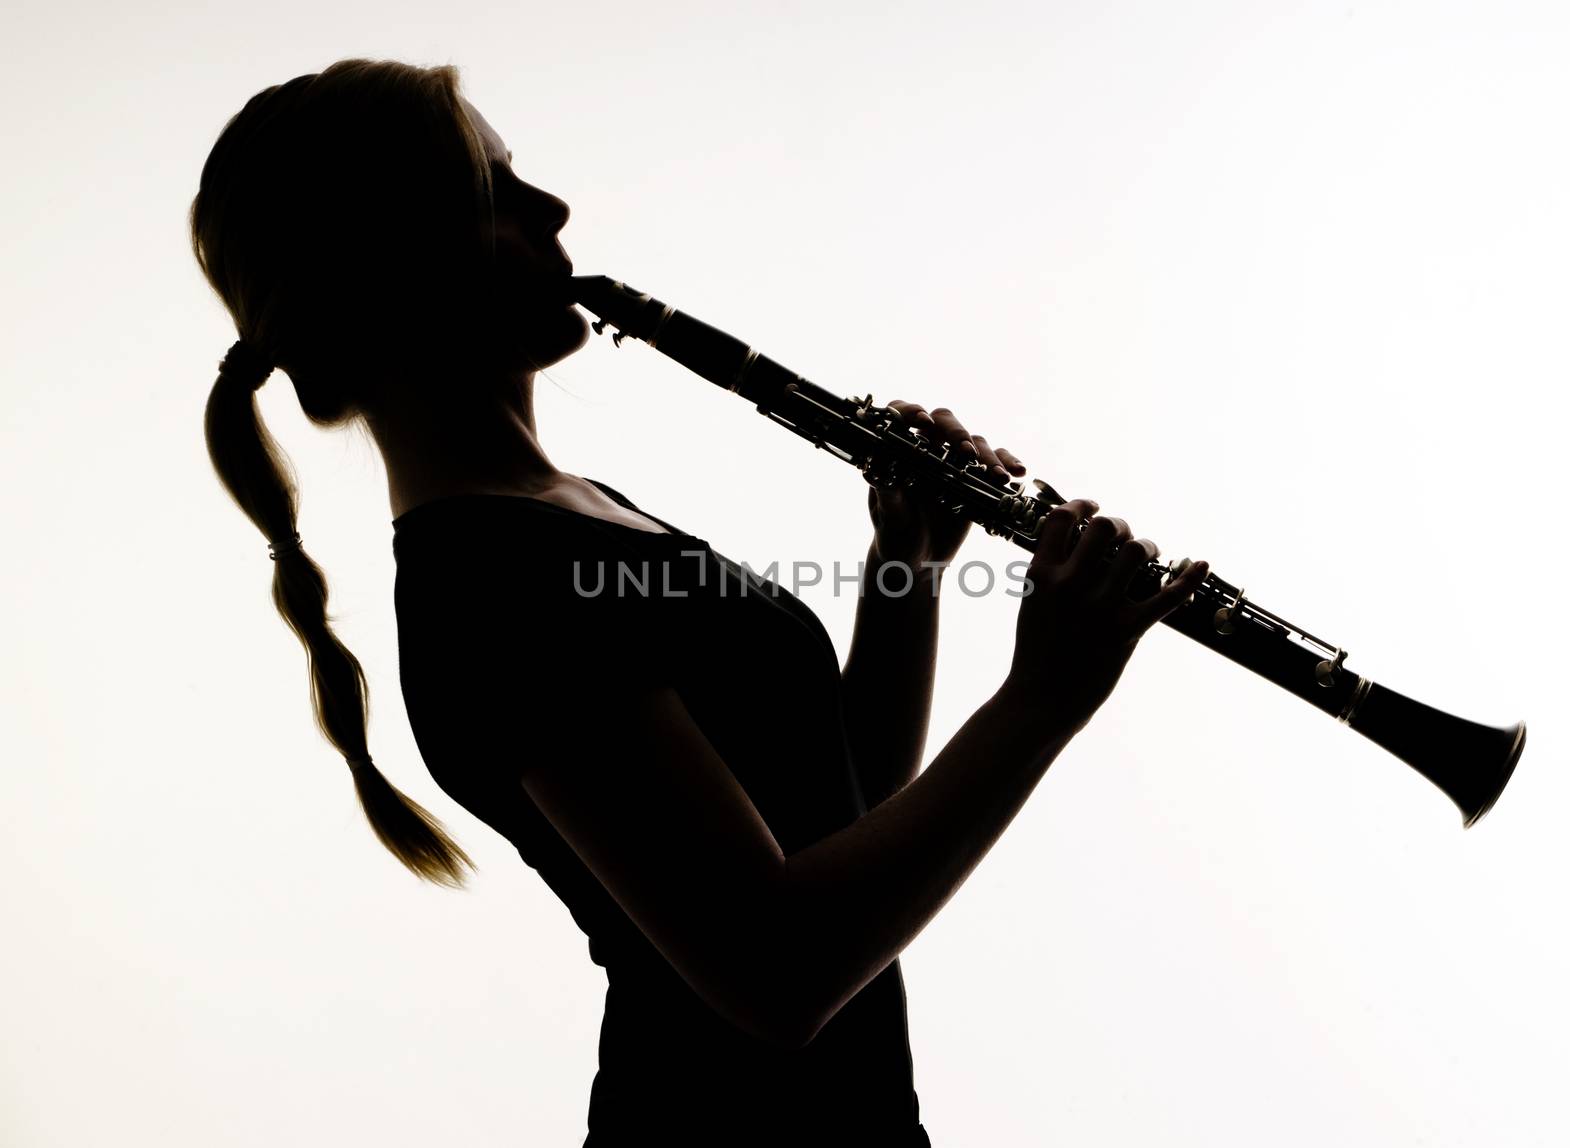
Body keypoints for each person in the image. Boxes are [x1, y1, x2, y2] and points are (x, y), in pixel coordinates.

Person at [191, 57, 1210, 1147]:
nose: (554, 209)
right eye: (496, 192)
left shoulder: (566, 514)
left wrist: (904, 565)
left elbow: (835, 800)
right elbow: (778, 972)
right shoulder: (489, 582)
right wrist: (1042, 699)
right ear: (391, 264)